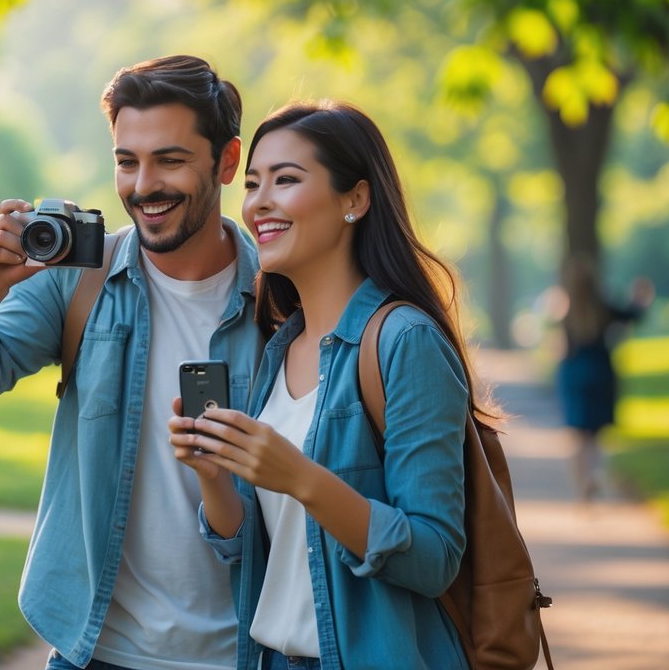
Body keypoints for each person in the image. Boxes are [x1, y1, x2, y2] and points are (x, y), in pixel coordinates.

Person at [0, 55, 267, 670]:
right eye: (126, 161)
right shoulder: (80, 279)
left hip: (246, 652)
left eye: (170, 160)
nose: (143, 186)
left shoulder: (283, 298)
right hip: (96, 653)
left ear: (228, 161)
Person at [170, 100, 476, 670]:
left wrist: (301, 478)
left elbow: (434, 557)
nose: (260, 201)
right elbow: (252, 548)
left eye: (286, 180)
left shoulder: (405, 342)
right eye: (254, 183)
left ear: (355, 199)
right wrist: (213, 477)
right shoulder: (281, 349)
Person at [554, 255, 653, 501]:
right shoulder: (603, 307)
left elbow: (560, 347)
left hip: (573, 374)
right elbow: (633, 315)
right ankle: (594, 475)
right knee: (596, 435)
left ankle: (582, 484)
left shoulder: (565, 310)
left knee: (577, 435)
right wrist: (640, 297)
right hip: (600, 372)